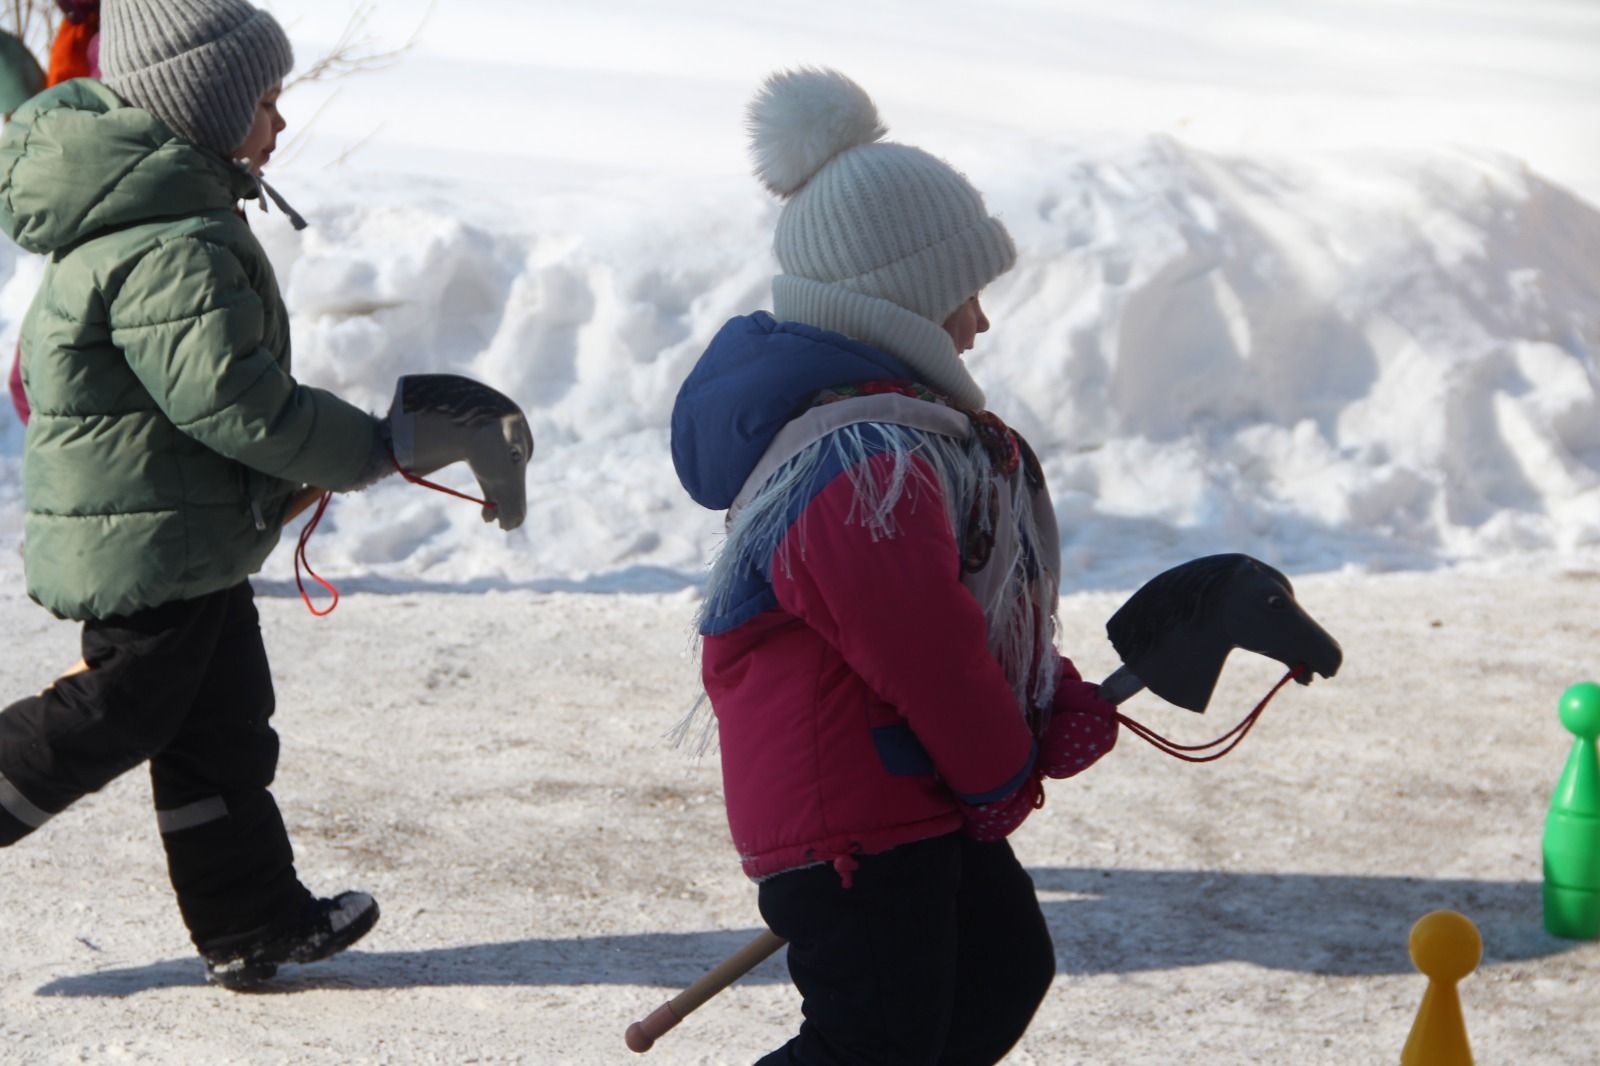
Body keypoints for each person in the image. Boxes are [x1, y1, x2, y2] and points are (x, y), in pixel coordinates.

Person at [670, 68, 1124, 1064]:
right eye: (961, 292)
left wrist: (1044, 693)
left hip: (912, 785)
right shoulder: (855, 459)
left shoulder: (895, 432)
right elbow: (916, 645)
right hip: (852, 811)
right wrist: (1002, 757)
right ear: (899, 293)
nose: (976, 323)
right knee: (872, 1042)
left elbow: (960, 610)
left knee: (999, 973)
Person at [0, 0, 391, 989]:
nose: (280, 121)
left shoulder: (173, 215)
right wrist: (367, 446)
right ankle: (246, 914)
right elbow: (231, 400)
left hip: (182, 531)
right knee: (120, 711)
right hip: (145, 538)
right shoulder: (172, 242)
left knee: (221, 729)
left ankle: (250, 918)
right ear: (206, 108)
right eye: (266, 98)